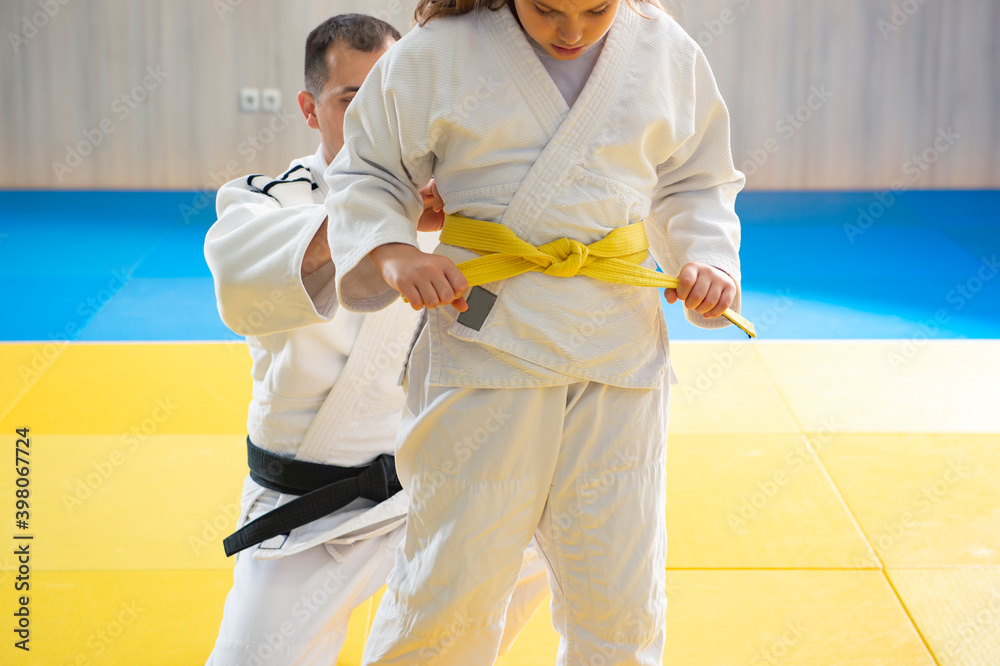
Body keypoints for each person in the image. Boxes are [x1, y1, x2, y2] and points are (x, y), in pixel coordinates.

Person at [323, 0, 749, 663]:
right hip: (486, 334)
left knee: (620, 595)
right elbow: (368, 172)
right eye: (548, 9)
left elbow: (697, 181)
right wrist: (396, 253)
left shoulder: (666, 49)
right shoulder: (440, 51)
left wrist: (708, 260)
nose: (572, 31)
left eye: (596, 8)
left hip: (616, 349)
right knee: (449, 586)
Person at [203, 13, 548, 665]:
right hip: (305, 513)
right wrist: (380, 212)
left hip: (422, 494)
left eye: (389, 90)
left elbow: (492, 324)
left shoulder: (445, 204)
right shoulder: (270, 199)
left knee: (539, 546)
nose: (371, 113)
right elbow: (237, 278)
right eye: (349, 98)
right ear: (310, 109)